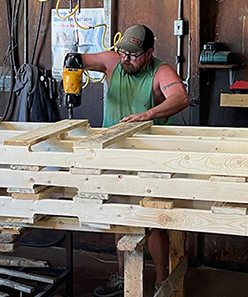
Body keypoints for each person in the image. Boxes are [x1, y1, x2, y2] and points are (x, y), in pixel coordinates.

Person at [81, 25, 190, 297]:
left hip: (148, 159)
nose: (126, 59)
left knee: (152, 221)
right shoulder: (112, 61)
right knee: (119, 218)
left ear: (149, 53)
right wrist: (72, 63)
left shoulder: (160, 71)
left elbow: (180, 97)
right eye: (123, 53)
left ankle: (161, 282)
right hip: (114, 155)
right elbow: (79, 59)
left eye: (133, 55)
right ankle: (122, 276)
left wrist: (147, 114)